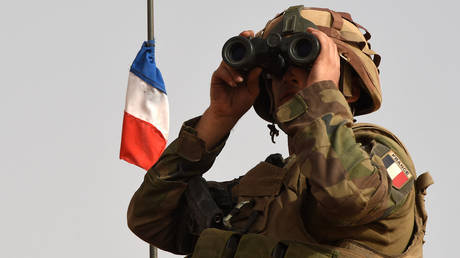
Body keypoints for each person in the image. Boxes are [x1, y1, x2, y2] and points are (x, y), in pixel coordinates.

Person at [127, 6, 433, 257]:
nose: (288, 76)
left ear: (349, 86)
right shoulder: (262, 188)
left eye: (304, 57)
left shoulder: (381, 161)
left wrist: (321, 94)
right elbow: (150, 218)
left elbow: (348, 196)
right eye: (276, 69)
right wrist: (218, 118)